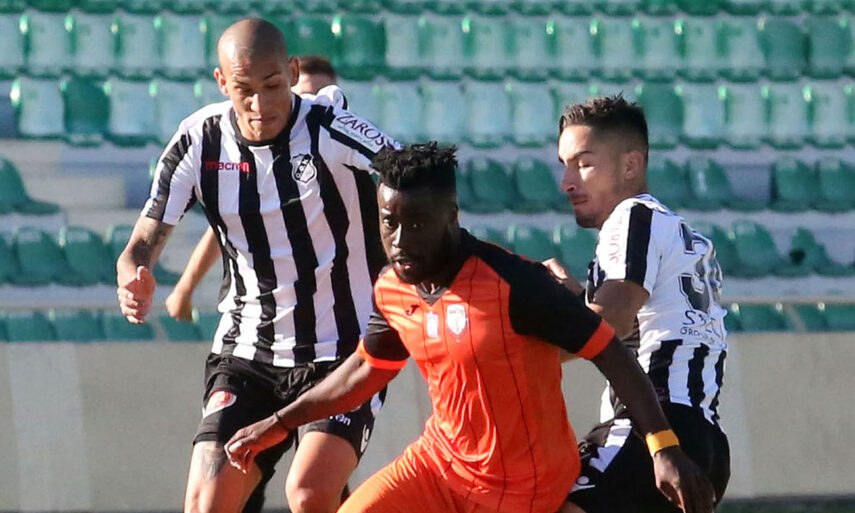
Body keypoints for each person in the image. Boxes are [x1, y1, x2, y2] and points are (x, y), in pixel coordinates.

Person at [223, 142, 716, 513]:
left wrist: (664, 447)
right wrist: (280, 422)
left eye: (418, 223)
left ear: (452, 217)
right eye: (389, 222)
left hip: (525, 487)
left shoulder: (515, 283)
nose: (400, 239)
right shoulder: (393, 288)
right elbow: (362, 372)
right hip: (440, 465)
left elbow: (610, 350)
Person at [116, 18, 396, 513]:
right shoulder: (199, 140)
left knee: (309, 492)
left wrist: (413, 265)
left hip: (343, 350)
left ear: (292, 72)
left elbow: (414, 171)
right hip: (247, 352)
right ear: (222, 82)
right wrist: (133, 275)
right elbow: (142, 240)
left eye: (272, 86)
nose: (260, 104)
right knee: (207, 502)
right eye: (245, 90)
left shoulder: (329, 126)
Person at [546, 95, 730, 513]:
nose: (567, 182)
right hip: (704, 437)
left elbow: (608, 323)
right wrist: (576, 300)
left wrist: (509, 357)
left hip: (652, 428)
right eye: (564, 165)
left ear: (630, 165)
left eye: (583, 164)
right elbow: (641, 325)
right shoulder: (675, 230)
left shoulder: (632, 216)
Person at [165, 54, 344, 323]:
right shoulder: (266, 160)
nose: (316, 103)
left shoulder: (349, 154)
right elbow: (232, 222)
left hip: (339, 306)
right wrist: (185, 287)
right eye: (307, 95)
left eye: (323, 94)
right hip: (271, 307)